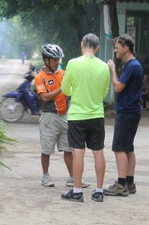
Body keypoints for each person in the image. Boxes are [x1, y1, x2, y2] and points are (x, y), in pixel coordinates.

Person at [60, 33, 110, 203]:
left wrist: (77, 91)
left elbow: (65, 90)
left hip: (77, 115)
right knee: (98, 152)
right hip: (97, 115)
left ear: (82, 45)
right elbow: (104, 93)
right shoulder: (104, 67)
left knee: (78, 152)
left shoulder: (73, 64)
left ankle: (77, 191)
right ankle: (99, 191)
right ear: (98, 47)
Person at [35, 43, 89, 188]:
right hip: (49, 117)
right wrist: (62, 88)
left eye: (58, 59)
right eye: (54, 59)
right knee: (46, 149)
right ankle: (45, 176)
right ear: (46, 60)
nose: (57, 62)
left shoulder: (64, 73)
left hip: (65, 115)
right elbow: (44, 97)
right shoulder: (40, 77)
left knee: (68, 149)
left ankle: (73, 177)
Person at [104, 34, 143, 196]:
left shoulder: (132, 65)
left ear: (126, 48)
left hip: (127, 112)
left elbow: (118, 87)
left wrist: (113, 70)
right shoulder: (133, 65)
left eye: (117, 47)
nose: (115, 51)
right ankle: (129, 182)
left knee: (119, 148)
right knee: (128, 149)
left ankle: (121, 184)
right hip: (132, 111)